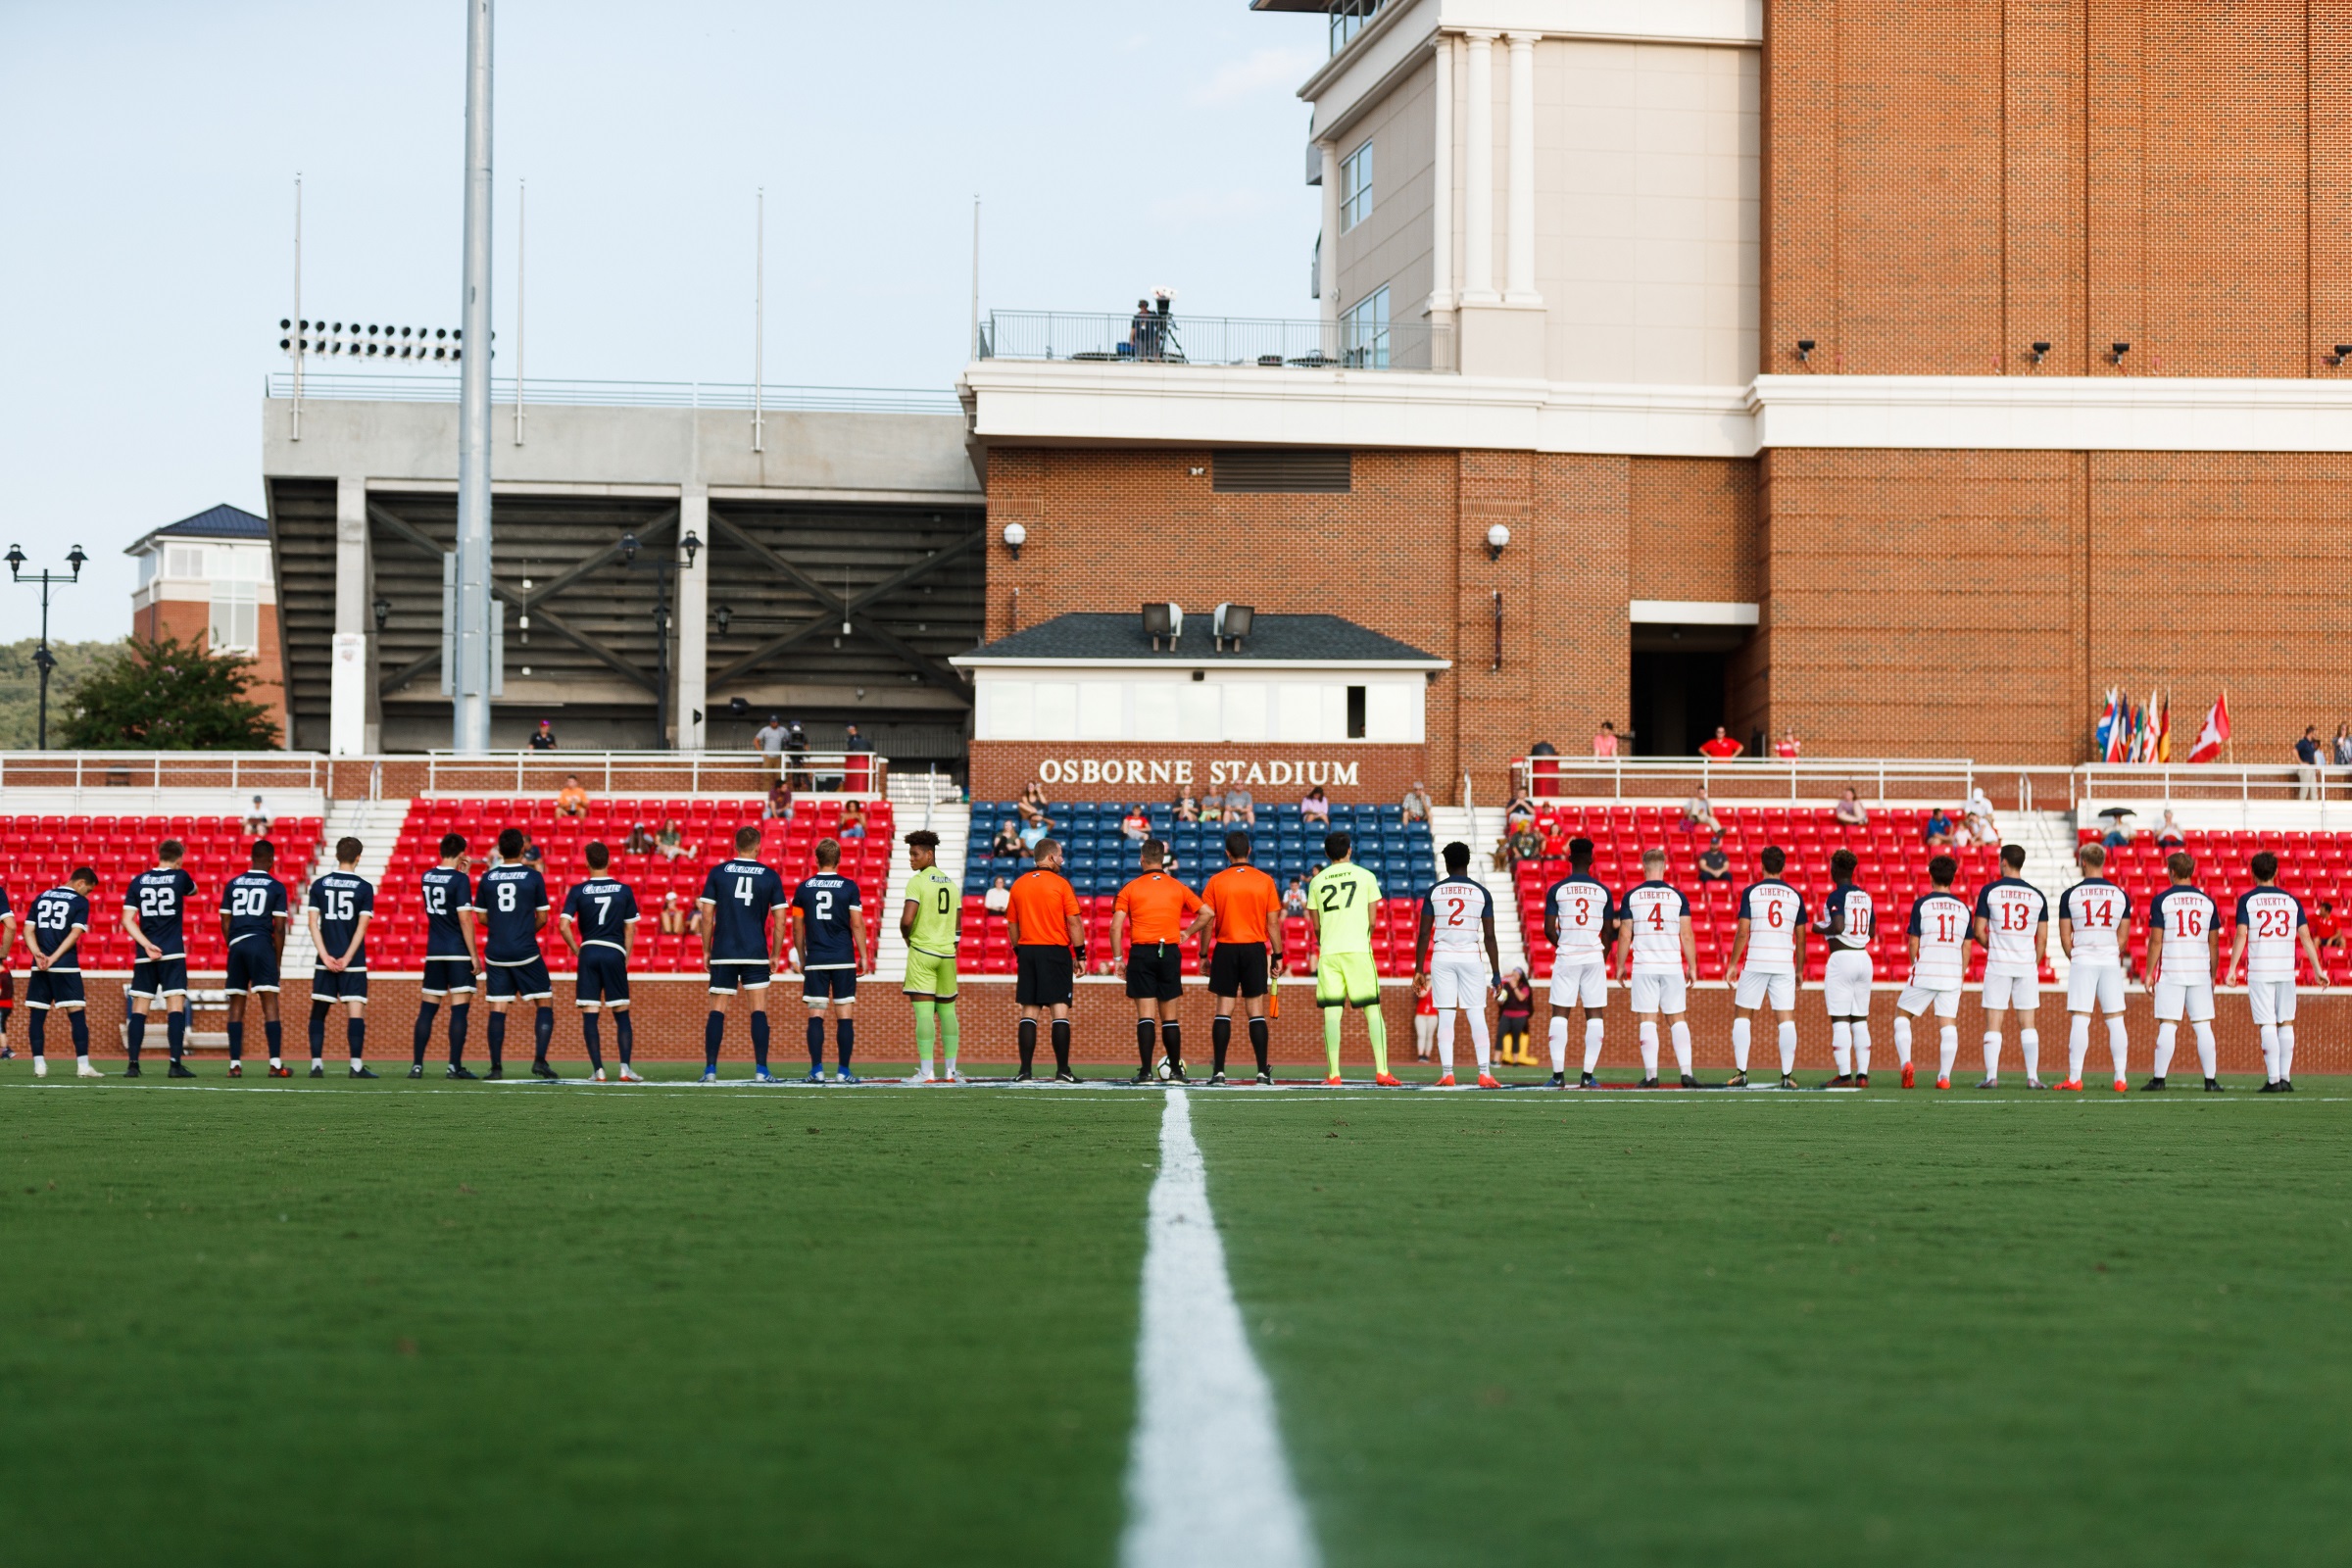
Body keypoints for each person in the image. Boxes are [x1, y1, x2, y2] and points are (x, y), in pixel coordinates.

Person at [2224, 851, 2331, 1092]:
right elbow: (2305, 936)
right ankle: (2286, 1078)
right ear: (2275, 872)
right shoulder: (2291, 900)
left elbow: (2241, 933)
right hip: (2285, 969)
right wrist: (2318, 969)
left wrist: (2232, 968)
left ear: (2253, 873)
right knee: (2286, 1022)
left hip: (2261, 969)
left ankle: (2273, 1080)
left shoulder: (2248, 900)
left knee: (2267, 1023)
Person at [1111, 839, 1210, 1083]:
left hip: (1142, 953)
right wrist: (1187, 933)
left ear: (1142, 859)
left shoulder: (1130, 888)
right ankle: (1176, 1071)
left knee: (1146, 1016)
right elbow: (1208, 913)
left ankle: (1145, 1072)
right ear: (1163, 859)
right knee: (1170, 1018)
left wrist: (1118, 960)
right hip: (1168, 951)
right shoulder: (1177, 886)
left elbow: (1115, 927)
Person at [698, 826, 789, 1083]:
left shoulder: (718, 872)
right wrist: (775, 953)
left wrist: (707, 949)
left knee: (718, 1011)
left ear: (735, 845)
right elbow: (780, 919)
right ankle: (761, 1070)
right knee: (758, 1011)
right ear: (758, 846)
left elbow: (706, 915)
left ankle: (711, 1071)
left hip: (724, 951)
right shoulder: (769, 876)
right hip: (755, 952)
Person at [1308, 833, 1397, 1086]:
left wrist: (1328, 937)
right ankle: (1382, 1070)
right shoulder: (1366, 876)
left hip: (1329, 951)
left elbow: (1315, 925)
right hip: (1358, 949)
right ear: (1350, 850)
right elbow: (1372, 920)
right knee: (1372, 1010)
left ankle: (1334, 1074)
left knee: (1332, 1013)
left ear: (1327, 854)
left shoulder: (1316, 881)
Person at [1415, 841, 1501, 1088]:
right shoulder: (1481, 893)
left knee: (1446, 1013)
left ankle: (1447, 1073)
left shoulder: (1434, 891)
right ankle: (1484, 1072)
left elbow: (1423, 934)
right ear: (1468, 862)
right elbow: (1490, 937)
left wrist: (1418, 970)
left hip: (1442, 956)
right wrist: (1496, 974)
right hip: (1470, 957)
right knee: (1476, 1013)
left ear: (1446, 862)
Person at [1202, 831, 1285, 1085]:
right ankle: (1262, 1071)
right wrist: (1278, 955)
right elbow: (1273, 925)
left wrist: (1204, 954)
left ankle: (1218, 1072)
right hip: (1254, 950)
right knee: (1255, 1013)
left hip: (1226, 949)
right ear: (1249, 851)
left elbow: (1207, 920)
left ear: (1227, 853)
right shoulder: (1265, 880)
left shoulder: (1216, 881)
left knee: (1223, 1012)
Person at [478, 828, 560, 1081]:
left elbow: (481, 917)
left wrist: (503, 928)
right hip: (525, 951)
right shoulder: (533, 877)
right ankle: (540, 1061)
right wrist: (523, 930)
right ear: (523, 848)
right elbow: (544, 917)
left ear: (500, 851)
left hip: (497, 952)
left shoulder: (488, 878)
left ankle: (496, 1068)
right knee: (544, 1002)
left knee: (498, 1007)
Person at [560, 841, 642, 1083]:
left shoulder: (577, 890)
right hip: (614, 952)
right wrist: (623, 956)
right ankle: (625, 1069)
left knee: (590, 1013)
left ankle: (599, 1070)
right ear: (609, 861)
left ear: (587, 861)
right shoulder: (623, 890)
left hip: (589, 951)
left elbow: (564, 926)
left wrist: (578, 949)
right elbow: (631, 929)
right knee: (621, 1013)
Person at [1615, 848, 1697, 1089]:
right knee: (1677, 1018)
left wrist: (1620, 965)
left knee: (1647, 1019)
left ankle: (1651, 1076)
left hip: (1644, 965)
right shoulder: (1678, 897)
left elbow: (1624, 932)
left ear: (1643, 867)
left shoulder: (1631, 896)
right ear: (1664, 866)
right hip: (1672, 964)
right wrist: (1692, 966)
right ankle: (1686, 1073)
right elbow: (1687, 934)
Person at [2055, 843, 2133, 1094]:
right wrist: (2111, 951)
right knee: (2115, 1018)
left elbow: (2065, 936)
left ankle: (2076, 1077)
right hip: (2110, 960)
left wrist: (2075, 955)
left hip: (2083, 959)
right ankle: (2120, 1078)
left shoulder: (2071, 895)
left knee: (2081, 1017)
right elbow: (2123, 936)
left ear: (2084, 862)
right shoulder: (2120, 894)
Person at [791, 837, 869, 1084]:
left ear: (816, 859)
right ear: (838, 860)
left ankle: (817, 1070)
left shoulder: (803, 888)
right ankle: (843, 1071)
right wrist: (864, 955)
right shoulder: (849, 887)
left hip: (817, 960)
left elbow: (796, 928)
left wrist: (802, 957)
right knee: (844, 1015)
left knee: (816, 1015)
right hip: (844, 958)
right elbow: (856, 923)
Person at [1726, 845, 1805, 1090]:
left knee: (1743, 1016)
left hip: (1757, 960)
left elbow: (1742, 931)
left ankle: (1741, 1073)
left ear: (1761, 866)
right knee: (1785, 1019)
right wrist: (1800, 969)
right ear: (1783, 867)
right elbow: (1800, 937)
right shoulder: (1795, 896)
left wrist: (1732, 964)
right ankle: (1787, 1076)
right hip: (1783, 962)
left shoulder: (1752, 892)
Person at [1006, 839, 1086, 1082]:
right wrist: (1080, 954)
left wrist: (1020, 952)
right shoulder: (1061, 885)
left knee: (1029, 1012)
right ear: (1051, 857)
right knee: (1059, 1011)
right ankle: (1063, 1070)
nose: (1062, 860)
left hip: (1028, 951)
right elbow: (1074, 922)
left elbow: (1012, 924)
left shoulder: (1018, 885)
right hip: (1055, 951)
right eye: (1060, 856)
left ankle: (1025, 1071)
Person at [1973, 844, 2049, 1088]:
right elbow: (2043, 939)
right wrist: (2032, 962)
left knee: (1994, 1022)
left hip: (1998, 964)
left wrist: (1993, 946)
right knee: (2028, 1023)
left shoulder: (1990, 891)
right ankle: (2033, 1077)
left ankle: (1992, 1076)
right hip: (2025, 965)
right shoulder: (2037, 895)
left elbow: (1978, 930)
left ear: (2004, 861)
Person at [2144, 853, 2222, 1092]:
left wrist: (2149, 972)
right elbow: (2214, 943)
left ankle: (2159, 1080)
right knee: (2203, 1026)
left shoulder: (2162, 901)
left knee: (2168, 1024)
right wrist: (2212, 972)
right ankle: (2210, 1081)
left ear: (2172, 872)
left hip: (2171, 970)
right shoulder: (2207, 902)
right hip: (2199, 971)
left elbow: (2156, 941)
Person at [122, 839, 200, 1078]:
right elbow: (194, 890)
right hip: (172, 952)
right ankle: (175, 1064)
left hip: (146, 955)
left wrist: (146, 944)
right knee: (175, 1006)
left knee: (139, 1009)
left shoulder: (138, 881)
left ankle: (133, 1065)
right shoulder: (181, 876)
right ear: (179, 858)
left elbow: (126, 920)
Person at [1543, 837, 1616, 1088]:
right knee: (1594, 1014)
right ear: (1591, 859)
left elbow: (1548, 930)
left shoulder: (1558, 889)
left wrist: (1564, 945)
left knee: (1560, 1013)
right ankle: (1587, 1076)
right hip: (1593, 957)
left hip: (1567, 956)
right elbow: (1608, 932)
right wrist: (1600, 956)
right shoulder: (1603, 891)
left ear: (1570, 858)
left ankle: (1558, 1076)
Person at [1895, 854, 1972, 1090]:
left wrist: (1915, 964)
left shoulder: (1922, 904)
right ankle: (1944, 1077)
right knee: (1948, 1024)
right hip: (1951, 974)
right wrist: (1961, 974)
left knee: (1902, 1016)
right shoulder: (1963, 908)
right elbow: (1966, 945)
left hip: (1926, 969)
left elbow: (1913, 942)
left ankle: (1906, 1063)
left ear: (1931, 876)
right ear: (1953, 877)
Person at [305, 838, 376, 1079]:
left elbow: (312, 924)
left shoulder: (318, 885)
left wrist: (325, 956)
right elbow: (361, 927)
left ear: (336, 855)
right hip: (353, 961)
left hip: (325, 959)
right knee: (355, 1012)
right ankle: (356, 1066)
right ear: (358, 857)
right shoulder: (365, 887)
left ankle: (316, 1065)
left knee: (319, 1012)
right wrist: (346, 958)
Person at [220, 840, 289, 1079]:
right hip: (261, 945)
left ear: (252, 858)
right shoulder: (276, 886)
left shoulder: (233, 884)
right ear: (271, 860)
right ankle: (275, 1064)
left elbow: (225, 922)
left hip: (237, 945)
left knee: (237, 1005)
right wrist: (276, 961)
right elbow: (279, 928)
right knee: (269, 1003)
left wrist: (233, 943)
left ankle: (235, 1065)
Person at [22, 868, 101, 1079]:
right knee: (76, 1015)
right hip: (65, 966)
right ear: (81, 883)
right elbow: (75, 934)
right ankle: (83, 1066)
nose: (88, 895)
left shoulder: (41, 897)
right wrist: (54, 957)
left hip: (40, 966)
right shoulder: (79, 901)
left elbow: (27, 930)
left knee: (37, 1016)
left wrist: (37, 954)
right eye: (89, 890)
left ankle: (39, 1066)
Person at [415, 833, 480, 1078]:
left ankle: (417, 1065)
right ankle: (454, 1066)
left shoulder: (426, 876)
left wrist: (461, 874)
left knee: (427, 1011)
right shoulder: (459, 881)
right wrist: (474, 955)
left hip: (434, 952)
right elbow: (464, 919)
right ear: (462, 852)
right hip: (457, 953)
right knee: (459, 1011)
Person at [901, 830, 962, 1084]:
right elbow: (958, 927)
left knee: (924, 1014)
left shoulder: (917, 881)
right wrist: (951, 946)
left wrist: (909, 940)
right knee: (948, 1013)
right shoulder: (951, 882)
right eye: (909, 854)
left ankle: (927, 1072)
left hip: (923, 953)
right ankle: (950, 1072)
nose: (911, 859)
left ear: (929, 854)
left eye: (915, 854)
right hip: (947, 955)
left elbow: (907, 921)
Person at [1815, 849, 1878, 1087]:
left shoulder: (1836, 896)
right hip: (1864, 957)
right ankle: (1862, 1075)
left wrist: (1818, 928)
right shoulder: (1865, 896)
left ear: (1836, 870)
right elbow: (1871, 932)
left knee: (1840, 1019)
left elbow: (1838, 926)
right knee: (1859, 1019)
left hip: (1842, 958)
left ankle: (1844, 1076)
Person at [1495, 971, 1536, 1067]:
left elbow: (1521, 997)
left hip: (1520, 1015)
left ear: (1520, 976)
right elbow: (1501, 1001)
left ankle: (1515, 1061)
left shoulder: (1524, 987)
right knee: (1500, 1034)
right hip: (1506, 1014)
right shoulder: (1506, 986)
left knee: (1516, 1037)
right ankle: (1496, 1060)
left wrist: (1514, 987)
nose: (1513, 976)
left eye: (1515, 974)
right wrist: (1498, 996)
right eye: (1512, 974)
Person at [1412, 974, 1437, 1063]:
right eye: (1427, 979)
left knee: (1429, 1036)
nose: (1428, 980)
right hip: (1420, 1015)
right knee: (1421, 1034)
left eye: (1430, 979)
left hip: (1432, 1015)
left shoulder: (1436, 989)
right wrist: (1430, 984)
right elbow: (1422, 995)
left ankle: (1427, 1055)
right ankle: (1420, 1055)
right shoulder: (1420, 987)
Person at [2294, 725, 2323, 801]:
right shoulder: (2303, 742)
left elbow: (2313, 756)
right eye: (2314, 733)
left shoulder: (2311, 744)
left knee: (2314, 789)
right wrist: (2301, 762)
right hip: (2305, 769)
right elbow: (2294, 751)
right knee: (2305, 789)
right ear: (2311, 733)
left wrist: (2316, 767)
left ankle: (2315, 808)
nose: (2315, 735)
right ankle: (2301, 807)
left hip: (2311, 768)